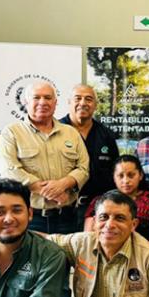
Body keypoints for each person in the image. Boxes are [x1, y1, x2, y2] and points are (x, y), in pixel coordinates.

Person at [0, 81, 90, 233]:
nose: (42, 102)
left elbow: (84, 167)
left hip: (68, 217)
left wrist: (63, 184)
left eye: (47, 98)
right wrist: (48, 191)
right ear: (26, 102)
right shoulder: (11, 132)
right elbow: (9, 170)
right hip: (30, 218)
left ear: (55, 102)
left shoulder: (71, 133)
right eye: (36, 97)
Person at [59, 84, 120, 230]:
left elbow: (115, 174)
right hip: (60, 210)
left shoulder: (107, 135)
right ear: (69, 102)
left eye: (88, 99)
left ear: (95, 105)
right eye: (78, 98)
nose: (83, 103)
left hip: (97, 213)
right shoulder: (55, 131)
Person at [83, 155, 149, 249]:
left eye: (131, 175)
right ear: (114, 177)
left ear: (140, 175)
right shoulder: (100, 201)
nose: (126, 180)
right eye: (120, 176)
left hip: (144, 251)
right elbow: (88, 235)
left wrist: (142, 252)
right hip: (105, 252)